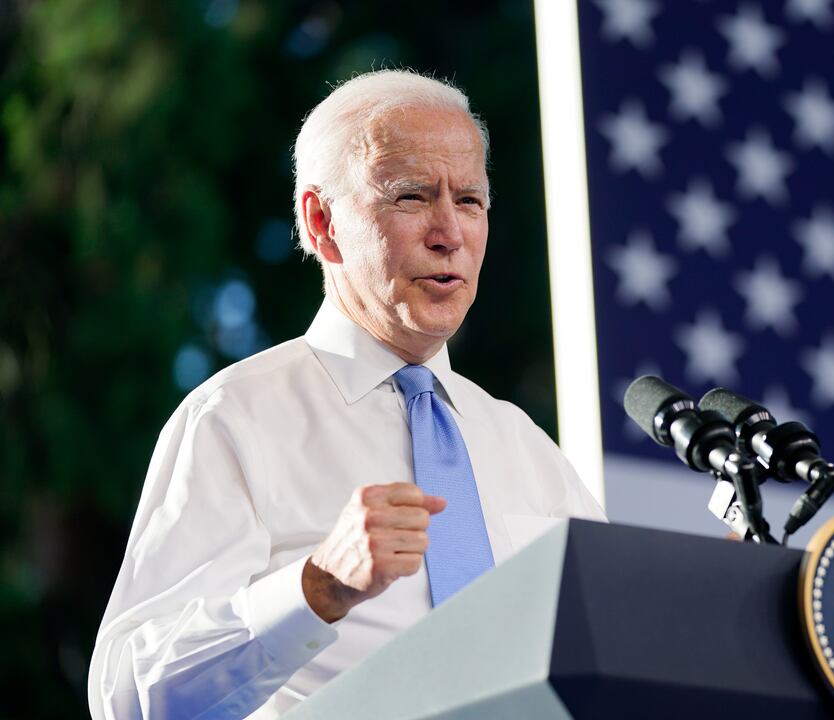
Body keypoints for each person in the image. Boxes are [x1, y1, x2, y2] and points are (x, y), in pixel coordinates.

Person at [87, 70, 606, 720]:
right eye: (412, 196)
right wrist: (314, 588)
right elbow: (127, 698)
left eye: (470, 200)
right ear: (321, 221)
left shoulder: (527, 447)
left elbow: (614, 656)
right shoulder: (235, 420)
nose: (451, 232)